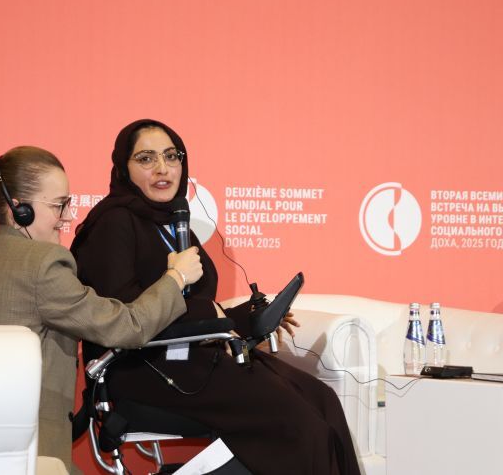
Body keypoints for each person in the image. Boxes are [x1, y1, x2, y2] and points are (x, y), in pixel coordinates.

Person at [70, 120, 361, 475]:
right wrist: (200, 301)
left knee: (322, 400)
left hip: (191, 357)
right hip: (140, 367)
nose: (162, 168)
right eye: (146, 158)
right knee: (298, 422)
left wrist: (250, 317)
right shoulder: (113, 224)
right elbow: (123, 313)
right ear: (124, 168)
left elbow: (197, 311)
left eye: (171, 156)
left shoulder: (176, 223)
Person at [0, 146, 206, 474]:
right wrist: (176, 277)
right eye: (60, 205)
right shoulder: (43, 265)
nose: (69, 216)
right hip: (35, 456)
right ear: (20, 210)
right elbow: (127, 326)